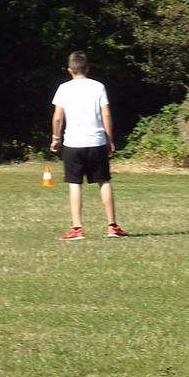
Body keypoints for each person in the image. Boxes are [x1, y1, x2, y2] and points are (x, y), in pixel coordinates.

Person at [50, 51, 128, 240]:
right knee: (104, 181)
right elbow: (106, 114)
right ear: (88, 68)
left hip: (73, 143)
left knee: (75, 184)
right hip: (96, 141)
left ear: (70, 70)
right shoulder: (98, 87)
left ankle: (77, 228)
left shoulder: (64, 88)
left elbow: (58, 117)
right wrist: (109, 139)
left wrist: (55, 138)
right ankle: (112, 226)